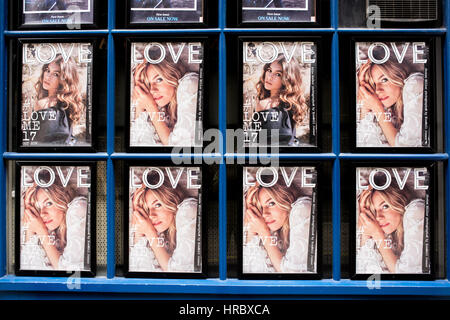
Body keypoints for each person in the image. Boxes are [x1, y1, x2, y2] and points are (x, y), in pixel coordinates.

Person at [129, 51, 200, 147]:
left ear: (173, 75)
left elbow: (179, 149)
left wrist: (151, 106)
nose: (152, 90)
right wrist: (141, 92)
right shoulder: (165, 110)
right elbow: (138, 145)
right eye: (149, 84)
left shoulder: (190, 84)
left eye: (159, 80)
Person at [243, 181, 314, 273]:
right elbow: (250, 267)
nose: (265, 214)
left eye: (271, 203)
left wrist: (263, 232)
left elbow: (292, 275)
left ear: (287, 198)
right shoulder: (278, 231)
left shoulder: (302, 209)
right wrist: (252, 214)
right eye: (261, 208)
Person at [129, 179, 199, 272]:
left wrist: (150, 233)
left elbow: (179, 273)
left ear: (172, 200)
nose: (151, 215)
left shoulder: (188, 210)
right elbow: (139, 270)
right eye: (147, 210)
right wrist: (139, 219)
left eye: (157, 205)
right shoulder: (162, 233)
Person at [356, 182, 426, 274]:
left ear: (400, 202)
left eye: (385, 206)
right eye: (374, 211)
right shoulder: (390, 235)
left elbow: (405, 276)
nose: (378, 217)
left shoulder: (416, 211)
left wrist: (377, 235)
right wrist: (365, 216)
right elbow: (363, 270)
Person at [357, 54, 425, 147]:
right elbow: (364, 145)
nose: (378, 90)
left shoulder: (415, 84)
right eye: (373, 84)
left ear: (398, 75)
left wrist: (377, 107)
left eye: (384, 80)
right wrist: (365, 93)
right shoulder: (391, 109)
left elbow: (405, 149)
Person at [20, 178, 88, 271]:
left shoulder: (78, 208)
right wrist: (30, 212)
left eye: (48, 203)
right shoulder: (53, 232)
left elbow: (69, 272)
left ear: (62, 199)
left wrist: (41, 231)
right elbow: (27, 266)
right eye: (38, 208)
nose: (42, 213)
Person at [26, 53, 85, 146]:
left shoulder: (43, 104)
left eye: (56, 74)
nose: (48, 76)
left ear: (64, 79)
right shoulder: (68, 103)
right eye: (47, 70)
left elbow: (33, 139)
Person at [251, 54, 309, 146]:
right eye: (269, 70)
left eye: (278, 74)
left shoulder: (264, 104)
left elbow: (259, 141)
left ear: (287, 79)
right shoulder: (291, 103)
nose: (270, 77)